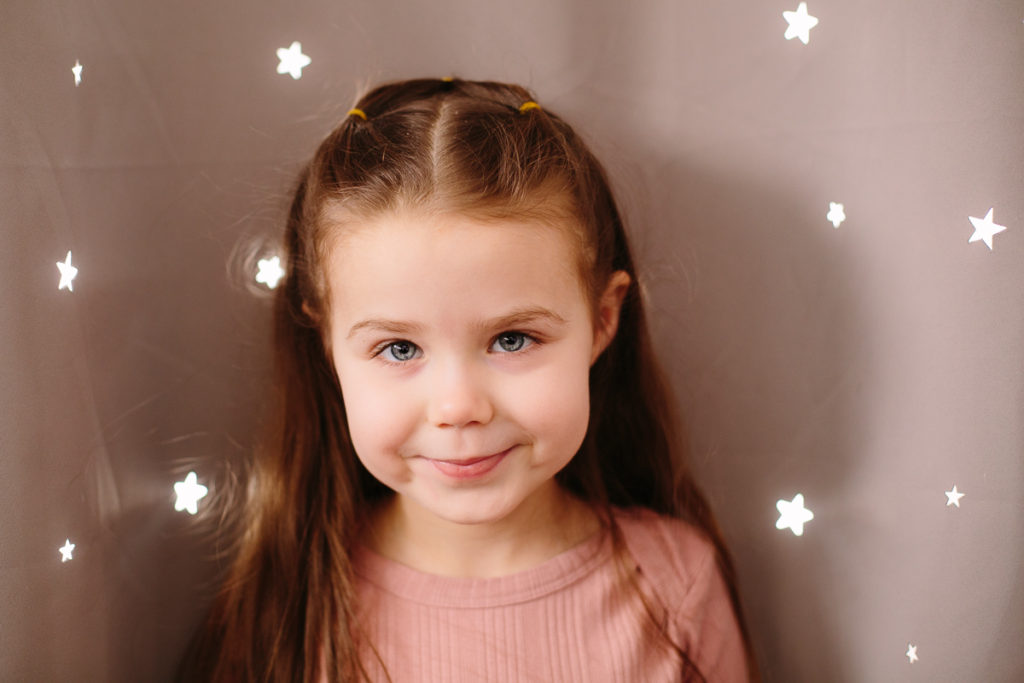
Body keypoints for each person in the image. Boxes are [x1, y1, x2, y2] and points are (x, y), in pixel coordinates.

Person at [177, 77, 758, 682]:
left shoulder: (676, 582)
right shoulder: (292, 600)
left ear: (603, 319)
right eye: (399, 348)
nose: (458, 407)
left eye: (512, 339)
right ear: (326, 343)